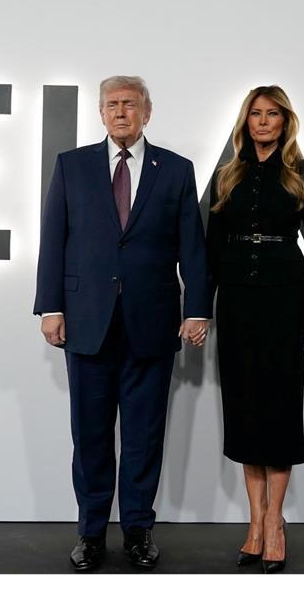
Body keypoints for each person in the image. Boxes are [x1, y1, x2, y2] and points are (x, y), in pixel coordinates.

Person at [34, 76, 211, 572]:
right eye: (111, 105)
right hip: (87, 323)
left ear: (146, 112)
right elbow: (54, 240)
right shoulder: (72, 166)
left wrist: (196, 308)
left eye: (129, 104)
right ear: (100, 112)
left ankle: (137, 531)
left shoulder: (176, 170)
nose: (119, 112)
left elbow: (192, 247)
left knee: (143, 436)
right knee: (89, 437)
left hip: (151, 324)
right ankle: (90, 534)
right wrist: (51, 306)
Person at [206, 85, 304, 573]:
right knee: (242, 409)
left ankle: (275, 522)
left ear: (285, 121)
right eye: (255, 114)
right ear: (246, 121)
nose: (262, 122)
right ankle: (253, 522)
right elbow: (212, 247)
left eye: (271, 114)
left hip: (286, 298)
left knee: (277, 409)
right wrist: (200, 307)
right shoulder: (226, 175)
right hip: (236, 299)